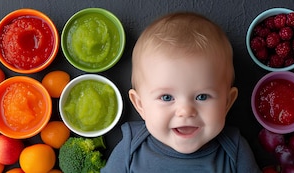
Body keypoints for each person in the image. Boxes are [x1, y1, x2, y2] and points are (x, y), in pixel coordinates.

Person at [101, 12, 260, 173]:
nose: (185, 111)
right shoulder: (131, 147)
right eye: (167, 97)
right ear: (140, 105)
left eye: (202, 96)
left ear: (227, 102)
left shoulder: (234, 150)